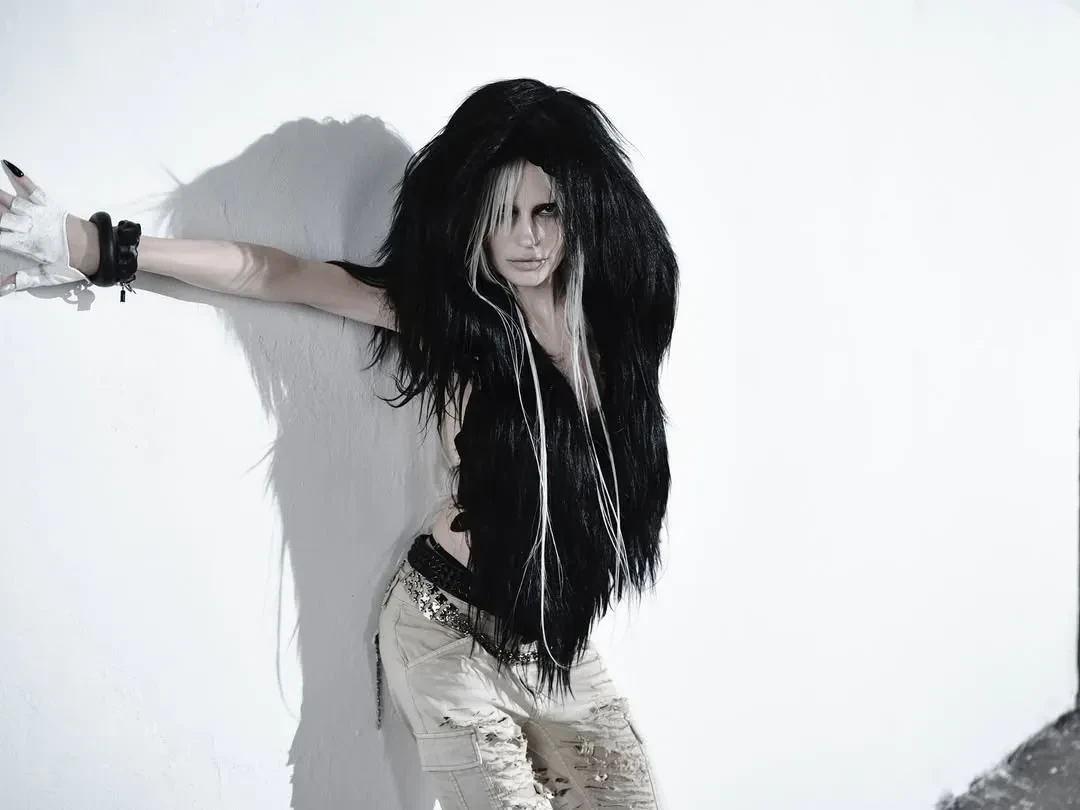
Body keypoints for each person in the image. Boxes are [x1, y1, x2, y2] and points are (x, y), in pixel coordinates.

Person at [0, 78, 678, 809]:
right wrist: (102, 247)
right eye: (502, 213)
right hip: (446, 633)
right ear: (473, 222)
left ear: (581, 209)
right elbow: (283, 274)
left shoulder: (621, 333)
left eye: (545, 211)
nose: (527, 238)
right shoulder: (462, 327)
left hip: (553, 645)